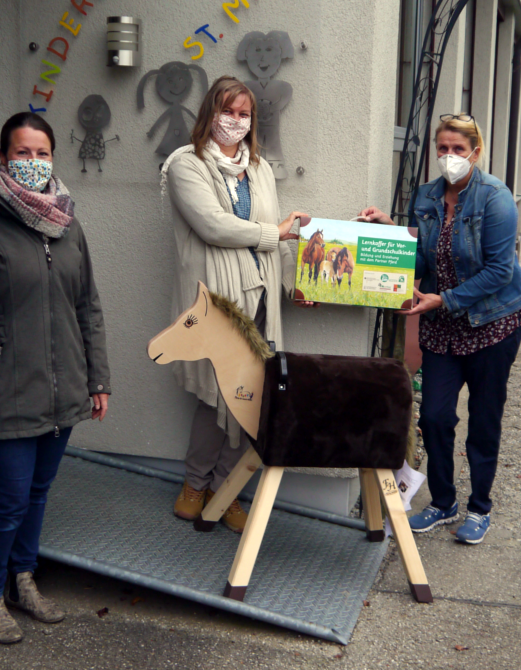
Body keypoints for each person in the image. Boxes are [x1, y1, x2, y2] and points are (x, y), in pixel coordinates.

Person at [0, 112, 110, 644]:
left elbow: (89, 308)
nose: (32, 163)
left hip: (65, 390)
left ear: (52, 159)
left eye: (41, 154)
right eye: (22, 153)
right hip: (5, 391)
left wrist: (97, 379)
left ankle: (22, 579)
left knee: (38, 493)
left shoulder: (68, 225)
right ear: (2, 158)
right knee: (11, 498)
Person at [358, 114, 521, 545]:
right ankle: (443, 502)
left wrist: (445, 299)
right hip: (442, 329)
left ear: (476, 150)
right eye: (443, 148)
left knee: (484, 420)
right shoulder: (427, 196)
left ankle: (479, 508)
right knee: (433, 417)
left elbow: (499, 271)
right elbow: (420, 260)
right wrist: (391, 234)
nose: (449, 156)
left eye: (457, 148)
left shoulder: (495, 198)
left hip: (491, 324)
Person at [161, 75, 309, 532]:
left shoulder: (261, 168)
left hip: (262, 298)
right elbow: (213, 226)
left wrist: (295, 284)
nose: (236, 122)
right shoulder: (185, 165)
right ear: (210, 112)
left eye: (244, 114)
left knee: (253, 398)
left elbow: (279, 237)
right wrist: (276, 233)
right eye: (228, 111)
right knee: (215, 397)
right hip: (217, 303)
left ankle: (226, 491)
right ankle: (194, 485)